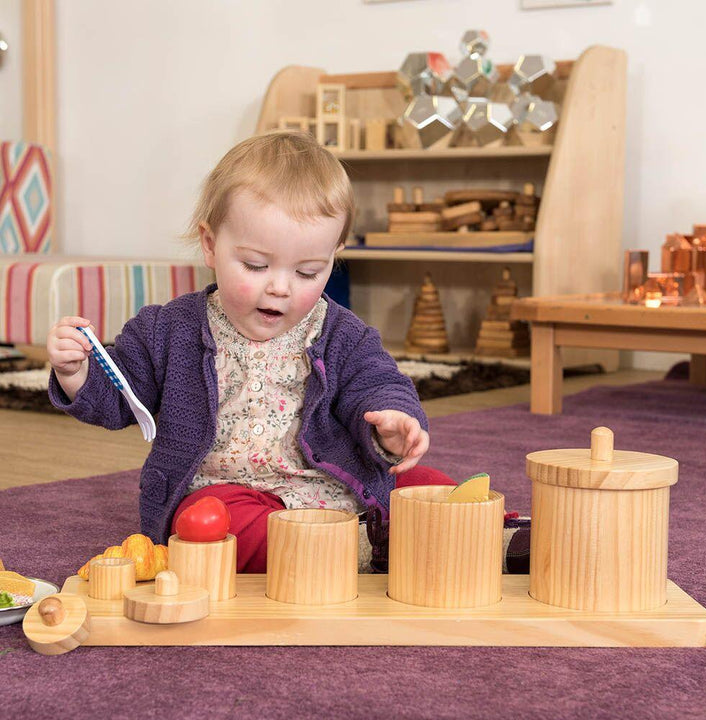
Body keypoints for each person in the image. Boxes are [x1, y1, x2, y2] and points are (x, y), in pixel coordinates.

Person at [46, 130, 457, 573]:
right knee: (207, 524)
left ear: (332, 258)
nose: (279, 287)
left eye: (307, 271)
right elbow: (119, 399)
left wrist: (391, 422)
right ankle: (364, 548)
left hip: (334, 485)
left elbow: (377, 382)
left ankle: (491, 533)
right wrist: (76, 373)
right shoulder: (168, 329)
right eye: (256, 266)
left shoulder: (342, 333)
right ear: (210, 245)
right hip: (227, 493)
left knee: (432, 488)